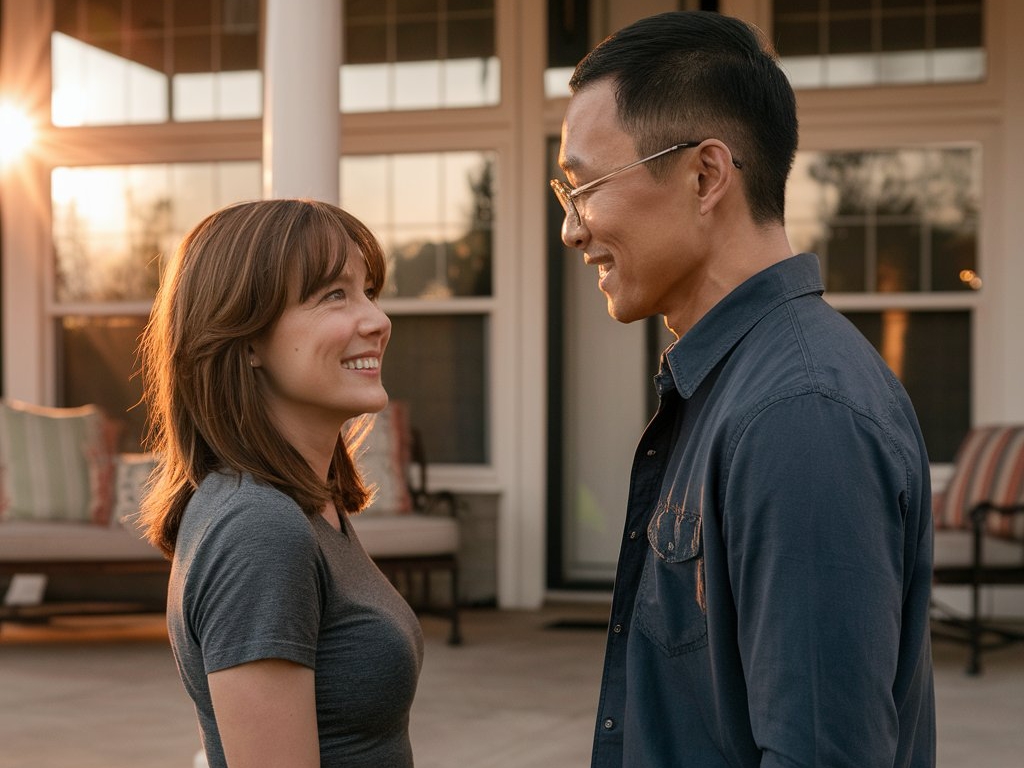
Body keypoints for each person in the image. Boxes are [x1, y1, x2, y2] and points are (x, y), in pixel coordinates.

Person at [551, 11, 935, 768]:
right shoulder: (739, 384)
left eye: (585, 186)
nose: (572, 228)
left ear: (705, 175)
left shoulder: (799, 414)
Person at [139, 199, 422, 768]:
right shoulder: (258, 529)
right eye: (333, 295)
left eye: (368, 290)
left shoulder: (313, 507)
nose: (376, 319)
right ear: (245, 342)